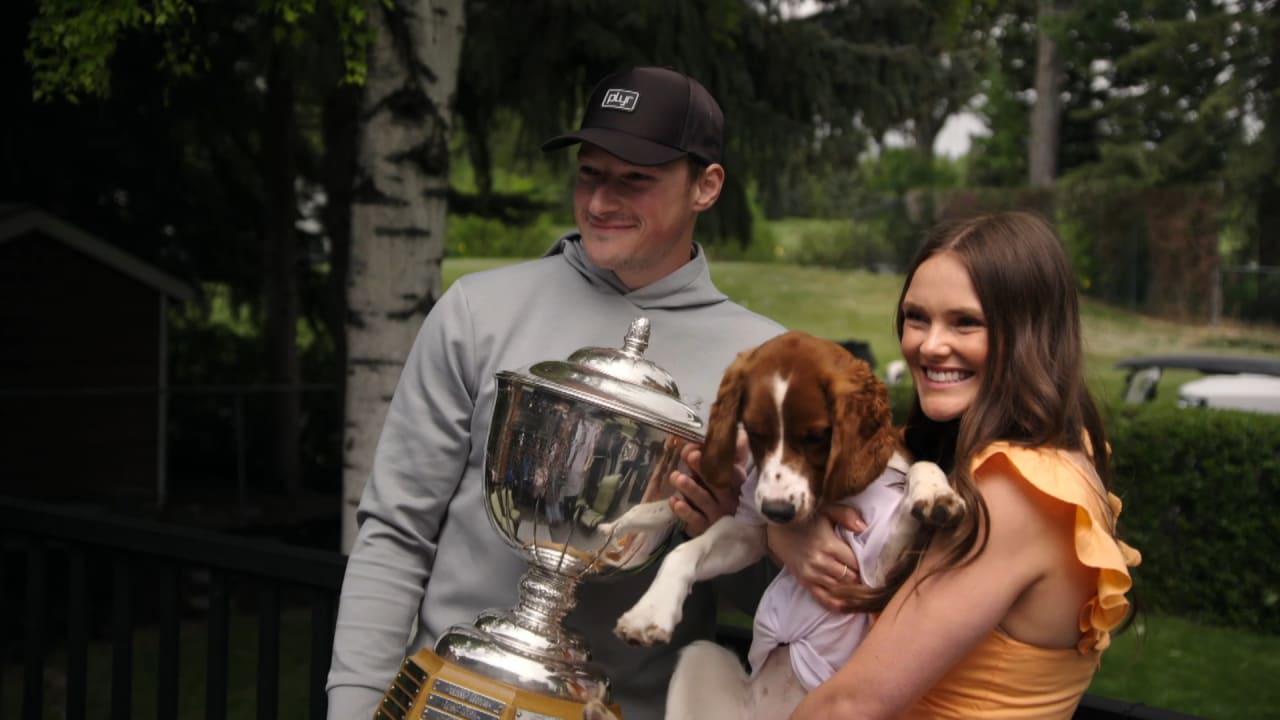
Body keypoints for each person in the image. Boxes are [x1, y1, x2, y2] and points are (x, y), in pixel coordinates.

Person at [325, 66, 784, 720]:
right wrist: (353, 708)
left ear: (706, 186)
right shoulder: (477, 311)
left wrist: (722, 531)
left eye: (634, 180)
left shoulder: (766, 364)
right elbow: (397, 531)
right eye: (589, 174)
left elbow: (787, 604)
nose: (599, 202)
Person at [786, 211, 1141, 719]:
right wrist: (788, 533)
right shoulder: (1024, 452)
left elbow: (852, 705)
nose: (930, 345)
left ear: (1031, 333)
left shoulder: (1017, 490)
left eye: (966, 322)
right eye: (917, 318)